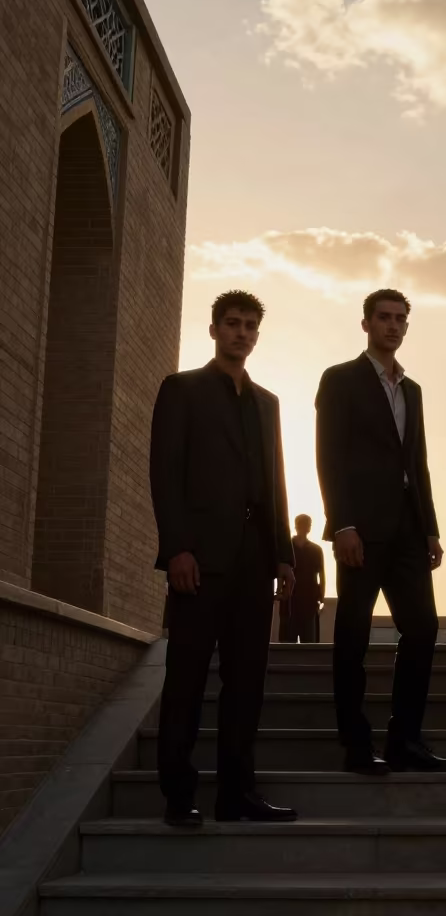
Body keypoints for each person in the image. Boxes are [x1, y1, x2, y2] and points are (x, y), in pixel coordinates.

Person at [150, 290, 297, 827]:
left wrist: (283, 554)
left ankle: (237, 794)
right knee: (186, 679)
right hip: (199, 561)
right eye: (232, 323)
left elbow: (275, 481)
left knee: (246, 683)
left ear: (257, 334)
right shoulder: (181, 389)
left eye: (250, 325)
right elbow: (165, 474)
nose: (241, 332)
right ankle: (178, 796)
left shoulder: (268, 403)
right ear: (213, 330)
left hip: (255, 563)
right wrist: (177, 549)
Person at [316, 289, 446, 774]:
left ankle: (405, 740)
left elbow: (417, 463)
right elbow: (329, 454)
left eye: (400, 319)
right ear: (366, 324)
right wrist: (342, 523)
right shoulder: (340, 379)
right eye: (383, 317)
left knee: (423, 628)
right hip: (360, 530)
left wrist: (431, 529)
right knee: (352, 636)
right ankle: (356, 745)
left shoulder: (412, 389)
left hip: (408, 532)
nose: (392, 325)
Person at [278, 514, 325, 643]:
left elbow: (321, 575)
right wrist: (280, 591)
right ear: (297, 526)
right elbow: (281, 572)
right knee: (287, 641)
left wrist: (321, 597)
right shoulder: (287, 548)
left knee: (309, 643)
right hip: (290, 600)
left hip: (309, 600)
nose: (306, 527)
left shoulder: (316, 550)